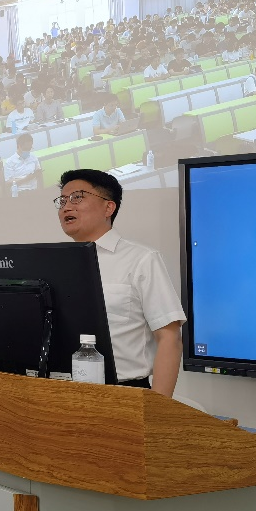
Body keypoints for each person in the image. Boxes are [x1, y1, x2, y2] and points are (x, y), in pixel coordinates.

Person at [54, 169, 185, 396]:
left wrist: (157, 409)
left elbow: (169, 337)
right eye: (63, 200)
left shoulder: (142, 259)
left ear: (108, 208)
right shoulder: (56, 263)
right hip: (62, 392)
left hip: (125, 392)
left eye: (77, 198)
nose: (66, 207)